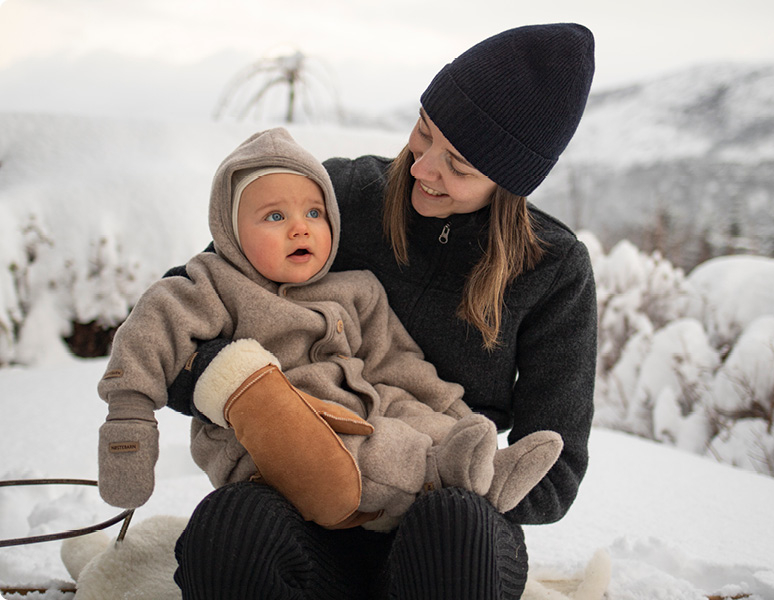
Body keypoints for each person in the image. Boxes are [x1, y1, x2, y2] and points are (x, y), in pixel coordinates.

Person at [140, 22, 594, 600]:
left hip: (445, 521)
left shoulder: (554, 271)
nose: (423, 169)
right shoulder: (340, 197)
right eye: (423, 133)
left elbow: (556, 469)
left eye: (459, 166)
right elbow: (175, 321)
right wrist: (243, 394)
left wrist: (433, 472)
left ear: (510, 182)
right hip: (307, 493)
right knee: (232, 531)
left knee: (453, 533)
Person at [96, 126, 564, 531]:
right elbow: (151, 330)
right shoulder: (215, 283)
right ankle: (450, 472)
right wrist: (129, 418)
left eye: (314, 214)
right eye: (275, 217)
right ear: (230, 232)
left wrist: (459, 419)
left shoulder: (356, 289)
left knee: (408, 415)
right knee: (370, 446)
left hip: (361, 413)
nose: (300, 228)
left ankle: (482, 473)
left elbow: (396, 363)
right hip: (270, 439)